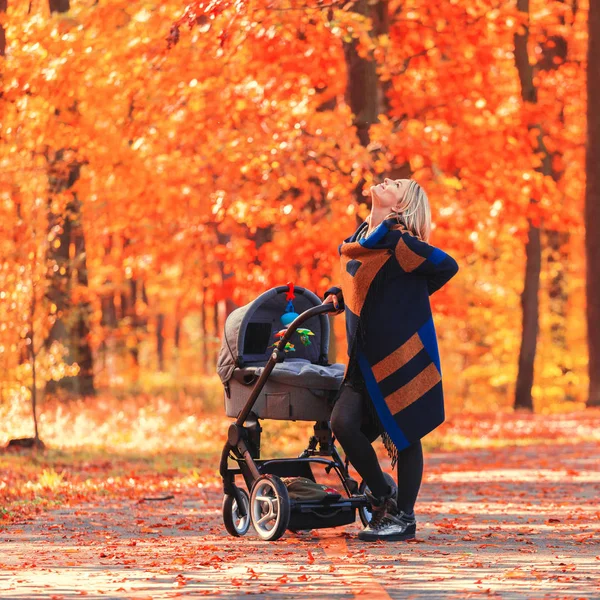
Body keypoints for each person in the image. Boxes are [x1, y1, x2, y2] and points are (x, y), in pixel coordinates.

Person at [322, 178, 458, 541]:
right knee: (342, 424)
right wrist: (340, 293)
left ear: (400, 205)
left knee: (407, 431)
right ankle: (384, 497)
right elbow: (367, 285)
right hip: (364, 357)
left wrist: (408, 297)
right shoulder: (362, 239)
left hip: (398, 352)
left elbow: (446, 265)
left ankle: (405, 519)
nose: (386, 181)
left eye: (396, 184)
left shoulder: (398, 242)